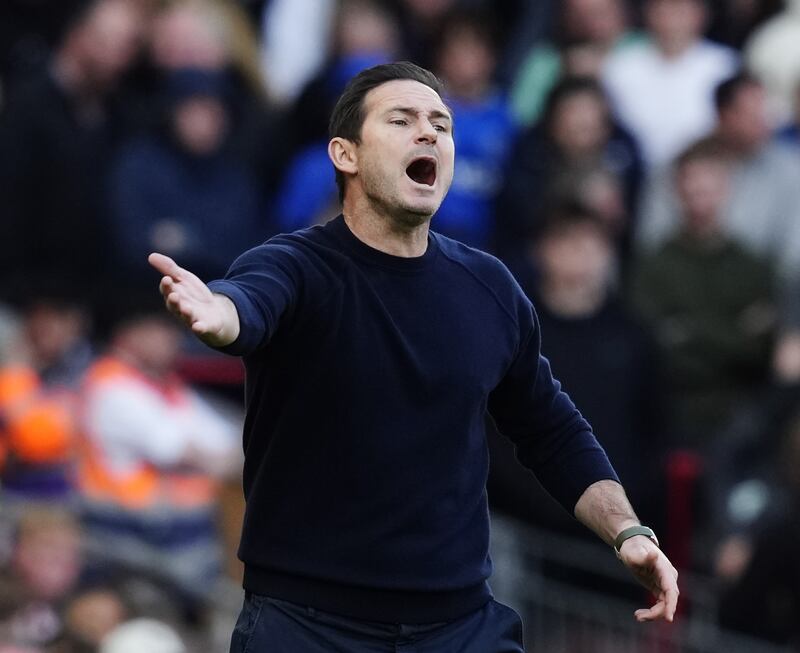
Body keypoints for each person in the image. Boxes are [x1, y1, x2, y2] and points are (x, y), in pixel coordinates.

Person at [148, 62, 679, 652]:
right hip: (307, 625)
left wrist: (627, 530)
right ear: (345, 154)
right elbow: (246, 307)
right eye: (402, 120)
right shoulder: (295, 265)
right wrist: (217, 315)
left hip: (458, 625)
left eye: (441, 125)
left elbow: (551, 429)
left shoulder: (490, 287)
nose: (428, 134)